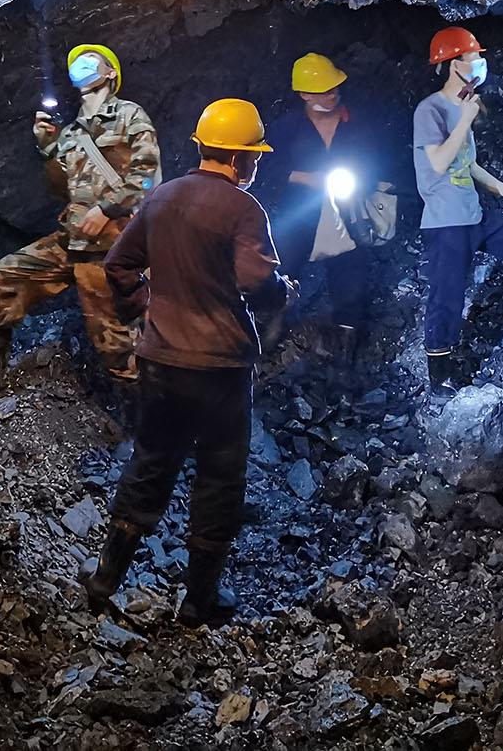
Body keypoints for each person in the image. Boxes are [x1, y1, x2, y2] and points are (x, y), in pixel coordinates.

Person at [86, 98, 292, 626]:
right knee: (219, 475)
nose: (255, 165)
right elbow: (254, 281)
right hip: (221, 369)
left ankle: (106, 577)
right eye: (255, 156)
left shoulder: (162, 197)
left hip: (161, 362)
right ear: (242, 159)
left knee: (152, 461)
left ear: (202, 147)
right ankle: (198, 601)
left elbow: (119, 264)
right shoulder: (243, 210)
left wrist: (146, 307)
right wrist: (279, 291)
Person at [0, 43, 159, 397]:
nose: (81, 65)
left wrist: (106, 210)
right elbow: (62, 191)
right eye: (76, 63)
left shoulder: (130, 116)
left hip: (114, 252)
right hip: (71, 243)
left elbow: (148, 178)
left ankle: (146, 434)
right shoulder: (72, 133)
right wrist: (48, 147)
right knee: (2, 277)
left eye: (91, 60)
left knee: (117, 346)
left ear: (110, 73)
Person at [413, 26, 503, 391]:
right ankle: (439, 382)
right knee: (447, 299)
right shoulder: (429, 111)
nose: (479, 64)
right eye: (473, 58)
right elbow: (441, 162)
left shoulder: (463, 106)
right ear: (452, 64)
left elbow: (469, 166)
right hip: (445, 224)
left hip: (475, 216)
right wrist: (463, 119)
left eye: (478, 57)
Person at [261, 52, 384, 368]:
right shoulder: (287, 127)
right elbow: (269, 168)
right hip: (299, 210)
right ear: (303, 94)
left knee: (351, 270)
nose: (332, 94)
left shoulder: (356, 122)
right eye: (324, 90)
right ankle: (272, 330)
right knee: (284, 265)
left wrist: (360, 181)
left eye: (334, 88)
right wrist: (306, 178)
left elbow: (378, 162)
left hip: (348, 209)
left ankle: (345, 345)